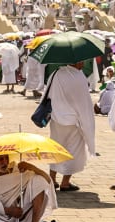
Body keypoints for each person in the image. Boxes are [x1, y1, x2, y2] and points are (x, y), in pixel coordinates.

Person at [46, 61, 96, 191]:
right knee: (74, 150)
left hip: (57, 118)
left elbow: (48, 94)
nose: (83, 63)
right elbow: (83, 102)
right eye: (82, 61)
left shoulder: (56, 73)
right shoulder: (79, 77)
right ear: (76, 61)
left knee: (55, 148)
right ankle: (65, 182)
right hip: (74, 121)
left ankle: (51, 178)